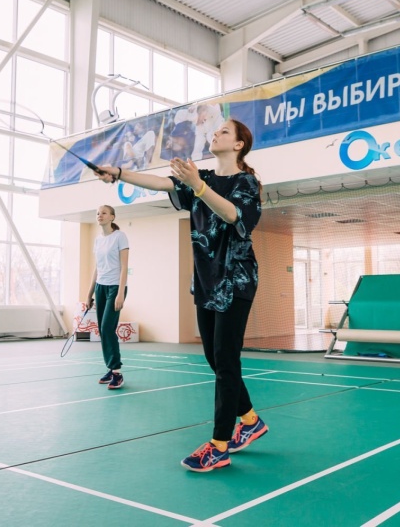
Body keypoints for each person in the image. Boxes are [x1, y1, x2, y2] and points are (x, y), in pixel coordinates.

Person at [96, 119, 267, 472]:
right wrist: (119, 173)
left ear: (238, 145)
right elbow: (160, 182)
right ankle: (250, 420)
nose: (215, 134)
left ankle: (219, 446)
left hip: (235, 280)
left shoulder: (246, 183)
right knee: (214, 358)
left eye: (224, 131)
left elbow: (233, 215)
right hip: (205, 281)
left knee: (226, 361)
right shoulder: (199, 178)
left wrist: (198, 186)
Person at [84, 205, 129, 390]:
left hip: (115, 287)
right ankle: (111, 369)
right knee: (103, 331)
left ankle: (117, 372)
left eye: (103, 213)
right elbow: (97, 268)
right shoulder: (97, 240)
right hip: (100, 287)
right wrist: (89, 294)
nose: (99, 215)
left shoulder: (120, 236)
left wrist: (120, 293)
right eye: (97, 213)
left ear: (112, 217)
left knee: (107, 327)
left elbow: (124, 267)